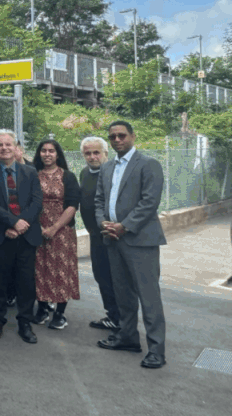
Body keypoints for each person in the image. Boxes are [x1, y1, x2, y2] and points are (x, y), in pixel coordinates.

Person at [94, 121, 167, 370]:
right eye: (112, 136)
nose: (116, 140)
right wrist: (103, 223)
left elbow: (150, 202)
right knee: (123, 294)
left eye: (121, 135)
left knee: (149, 297)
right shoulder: (107, 168)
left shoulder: (148, 164)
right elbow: (99, 200)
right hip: (113, 239)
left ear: (133, 136)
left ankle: (157, 350)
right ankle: (128, 338)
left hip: (140, 240)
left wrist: (124, 225)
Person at [0, 129, 43, 345]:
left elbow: (36, 202)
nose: (4, 148)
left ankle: (25, 322)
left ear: (15, 147)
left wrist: (21, 224)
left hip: (26, 236)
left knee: (26, 281)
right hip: (0, 235)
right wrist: (11, 222)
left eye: (8, 144)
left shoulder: (30, 172)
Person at [31, 138, 81, 330]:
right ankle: (42, 308)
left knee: (61, 271)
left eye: (51, 151)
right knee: (39, 269)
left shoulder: (67, 176)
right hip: (37, 229)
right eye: (43, 150)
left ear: (58, 154)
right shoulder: (33, 175)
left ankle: (60, 313)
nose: (47, 154)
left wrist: (54, 228)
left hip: (62, 231)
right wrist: (38, 227)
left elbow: (72, 206)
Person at [79, 136, 121, 331]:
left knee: (118, 279)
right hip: (95, 237)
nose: (92, 156)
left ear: (106, 153)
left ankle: (123, 321)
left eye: (96, 152)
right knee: (101, 276)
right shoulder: (83, 174)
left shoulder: (115, 174)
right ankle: (112, 316)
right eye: (88, 153)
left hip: (115, 236)